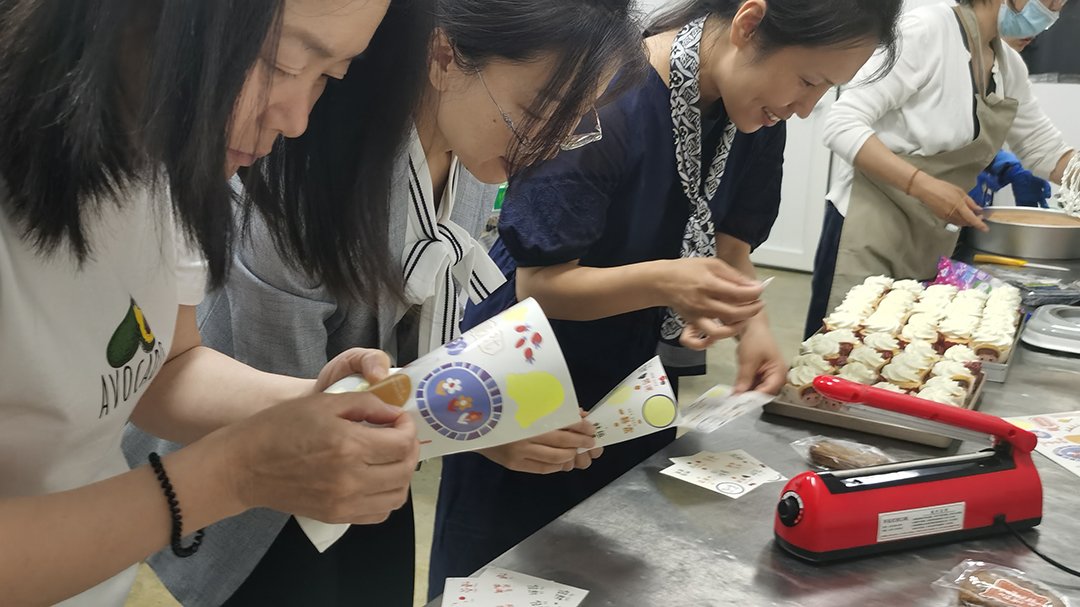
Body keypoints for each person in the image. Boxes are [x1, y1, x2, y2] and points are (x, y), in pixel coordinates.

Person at [122, 0, 647, 605]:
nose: (549, 149)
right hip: (252, 451)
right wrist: (463, 424)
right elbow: (291, 413)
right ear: (445, 55)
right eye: (536, 113)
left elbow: (414, 353)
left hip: (373, 439)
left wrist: (473, 416)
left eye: (573, 123)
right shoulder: (302, 164)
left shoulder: (473, 159)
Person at [429, 0, 904, 596]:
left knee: (613, 559)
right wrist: (668, 282)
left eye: (825, 91)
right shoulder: (610, 92)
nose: (805, 108)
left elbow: (730, 245)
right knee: (510, 571)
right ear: (748, 24)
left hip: (634, 375)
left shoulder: (756, 111)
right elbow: (539, 284)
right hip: (531, 362)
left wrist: (753, 327)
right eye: (808, 81)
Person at [0, 1, 422, 605]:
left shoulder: (164, 158)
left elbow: (164, 367)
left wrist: (317, 404)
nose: (297, 118)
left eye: (329, 76)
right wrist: (230, 475)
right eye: (280, 62)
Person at [805, 0, 1077, 338]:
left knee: (901, 354)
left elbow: (1045, 150)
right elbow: (841, 124)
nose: (1051, 14)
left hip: (929, 239)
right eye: (1047, 0)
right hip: (870, 229)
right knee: (842, 349)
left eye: (1059, 4)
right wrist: (923, 186)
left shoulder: (1009, 68)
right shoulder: (926, 30)